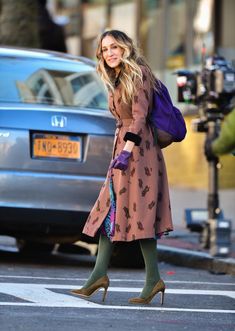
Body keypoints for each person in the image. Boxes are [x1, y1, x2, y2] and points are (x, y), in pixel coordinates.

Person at [71, 30, 173, 305]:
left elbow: (139, 118)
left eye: (114, 47)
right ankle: (98, 275)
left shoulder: (137, 74)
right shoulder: (117, 79)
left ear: (125, 48)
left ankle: (152, 280)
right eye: (105, 50)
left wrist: (127, 152)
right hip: (123, 152)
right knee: (108, 211)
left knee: (141, 214)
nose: (110, 53)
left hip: (139, 154)